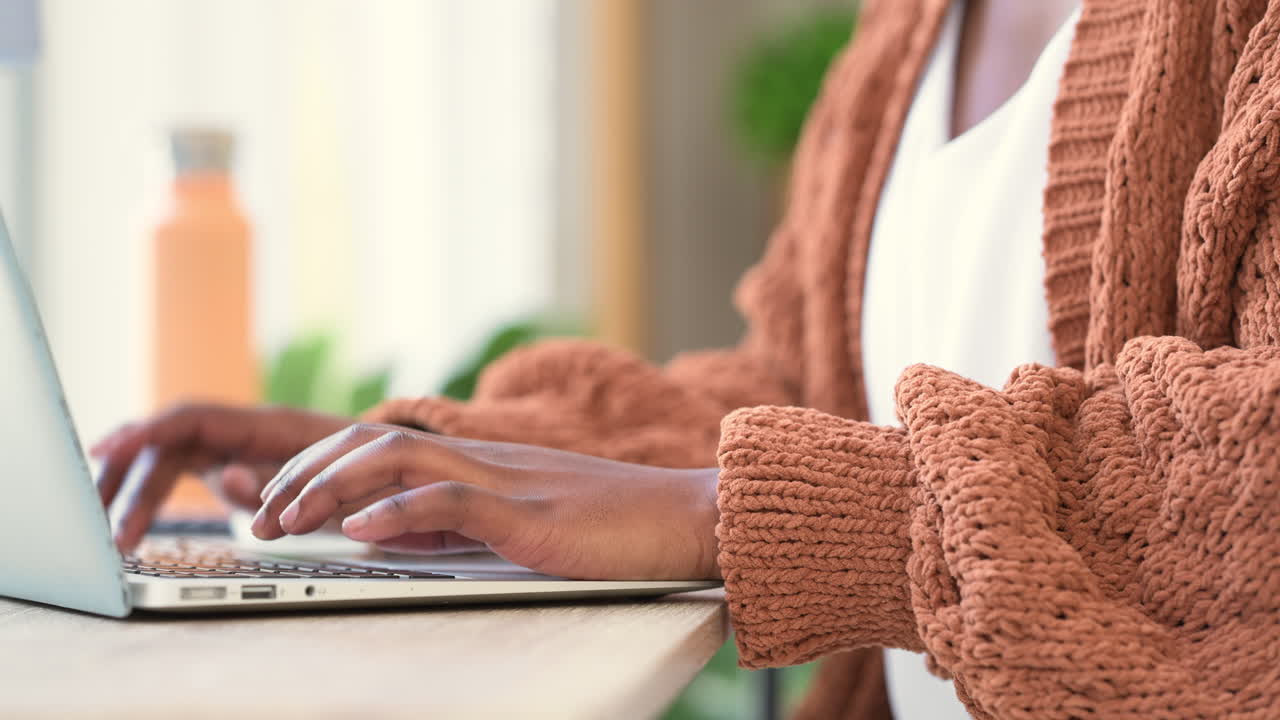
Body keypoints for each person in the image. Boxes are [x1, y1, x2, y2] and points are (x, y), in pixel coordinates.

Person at [92, 0, 1280, 717]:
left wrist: (735, 517)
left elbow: (1253, 484)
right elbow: (805, 394)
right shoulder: (900, 39)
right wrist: (444, 464)